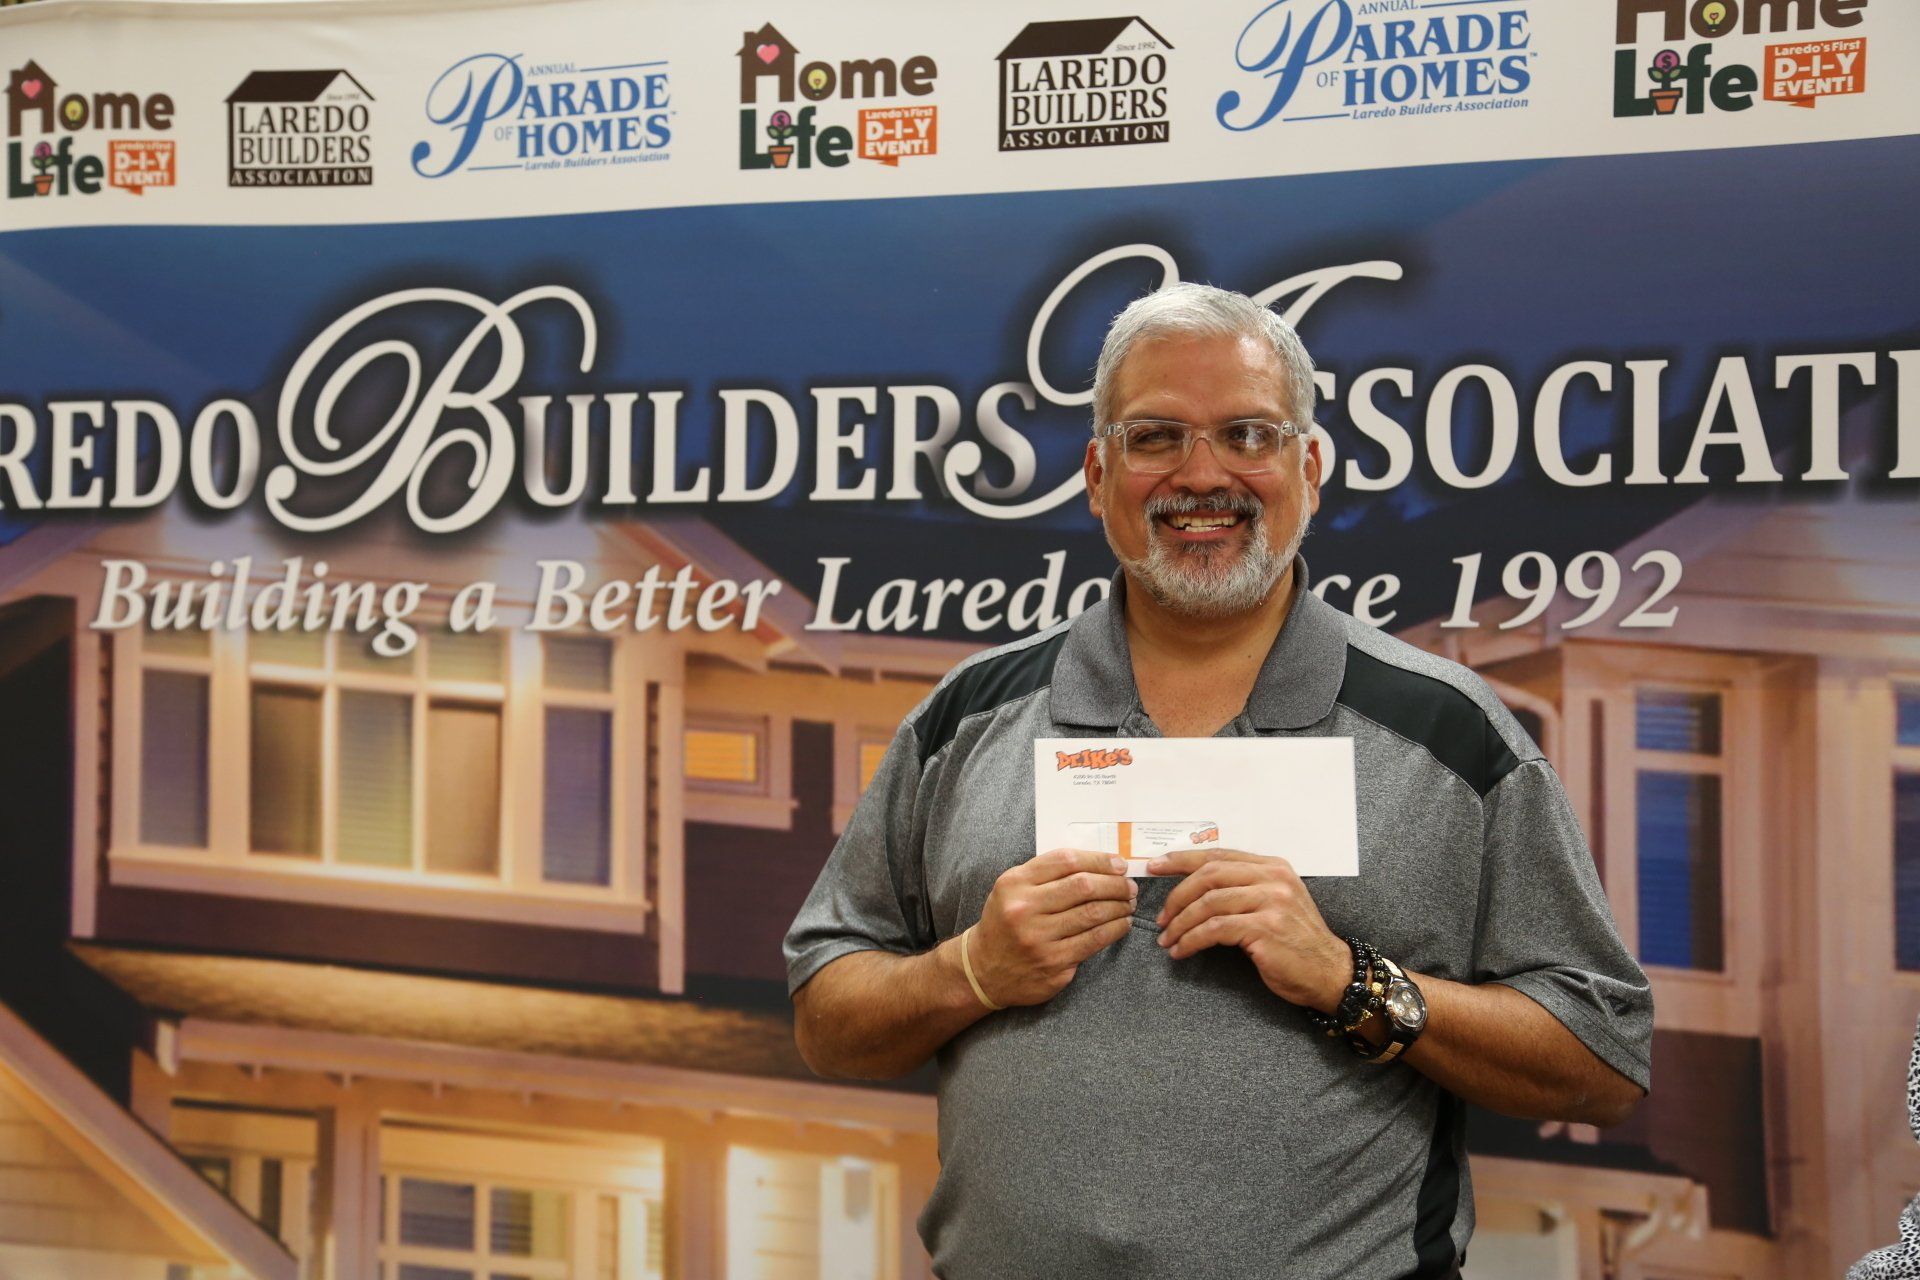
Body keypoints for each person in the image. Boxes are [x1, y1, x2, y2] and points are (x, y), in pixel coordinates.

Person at [784, 283, 1651, 1280]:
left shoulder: (1449, 733)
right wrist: (969, 969)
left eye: (1248, 435)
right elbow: (826, 1022)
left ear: (1309, 468)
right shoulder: (964, 720)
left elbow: (1602, 1061)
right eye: (1155, 438)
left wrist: (1352, 981)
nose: (1202, 476)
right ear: (1099, 475)